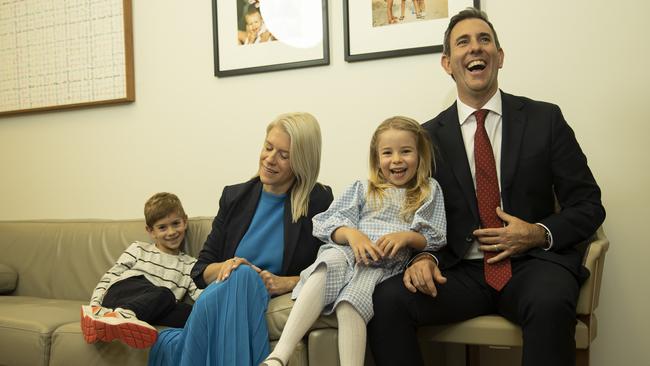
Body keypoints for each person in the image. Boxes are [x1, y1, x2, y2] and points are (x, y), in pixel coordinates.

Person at [368, 8, 606, 366]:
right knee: (387, 298)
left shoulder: (546, 120)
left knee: (551, 301)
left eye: (485, 40)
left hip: (533, 265)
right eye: (463, 42)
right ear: (447, 63)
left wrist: (538, 233)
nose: (475, 48)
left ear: (500, 56)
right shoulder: (425, 138)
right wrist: (423, 256)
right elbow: (412, 211)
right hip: (459, 272)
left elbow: (589, 205)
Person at [147, 112, 333, 366]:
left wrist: (285, 282)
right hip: (221, 292)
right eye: (268, 147)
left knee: (246, 278)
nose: (270, 159)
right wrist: (228, 266)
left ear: (302, 161)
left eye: (284, 155)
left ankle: (179, 346)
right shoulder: (235, 197)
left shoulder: (318, 201)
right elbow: (200, 270)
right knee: (242, 274)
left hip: (259, 295)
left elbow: (330, 265)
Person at [261, 116, 446, 366]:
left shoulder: (428, 190)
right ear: (377, 159)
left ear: (420, 155)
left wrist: (406, 237)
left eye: (406, 151)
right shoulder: (364, 188)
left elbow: (435, 236)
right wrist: (352, 234)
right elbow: (326, 225)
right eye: (388, 153)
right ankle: (278, 356)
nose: (397, 160)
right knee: (327, 263)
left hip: (382, 264)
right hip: (349, 251)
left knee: (350, 304)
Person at [81, 192, 202, 349]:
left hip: (154, 308)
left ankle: (124, 319)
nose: (171, 232)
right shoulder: (138, 248)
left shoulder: (191, 264)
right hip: (123, 292)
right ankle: (117, 316)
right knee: (165, 294)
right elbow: (111, 275)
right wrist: (95, 306)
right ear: (151, 231)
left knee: (190, 313)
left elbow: (201, 295)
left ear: (185, 222)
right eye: (162, 227)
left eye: (176, 224)